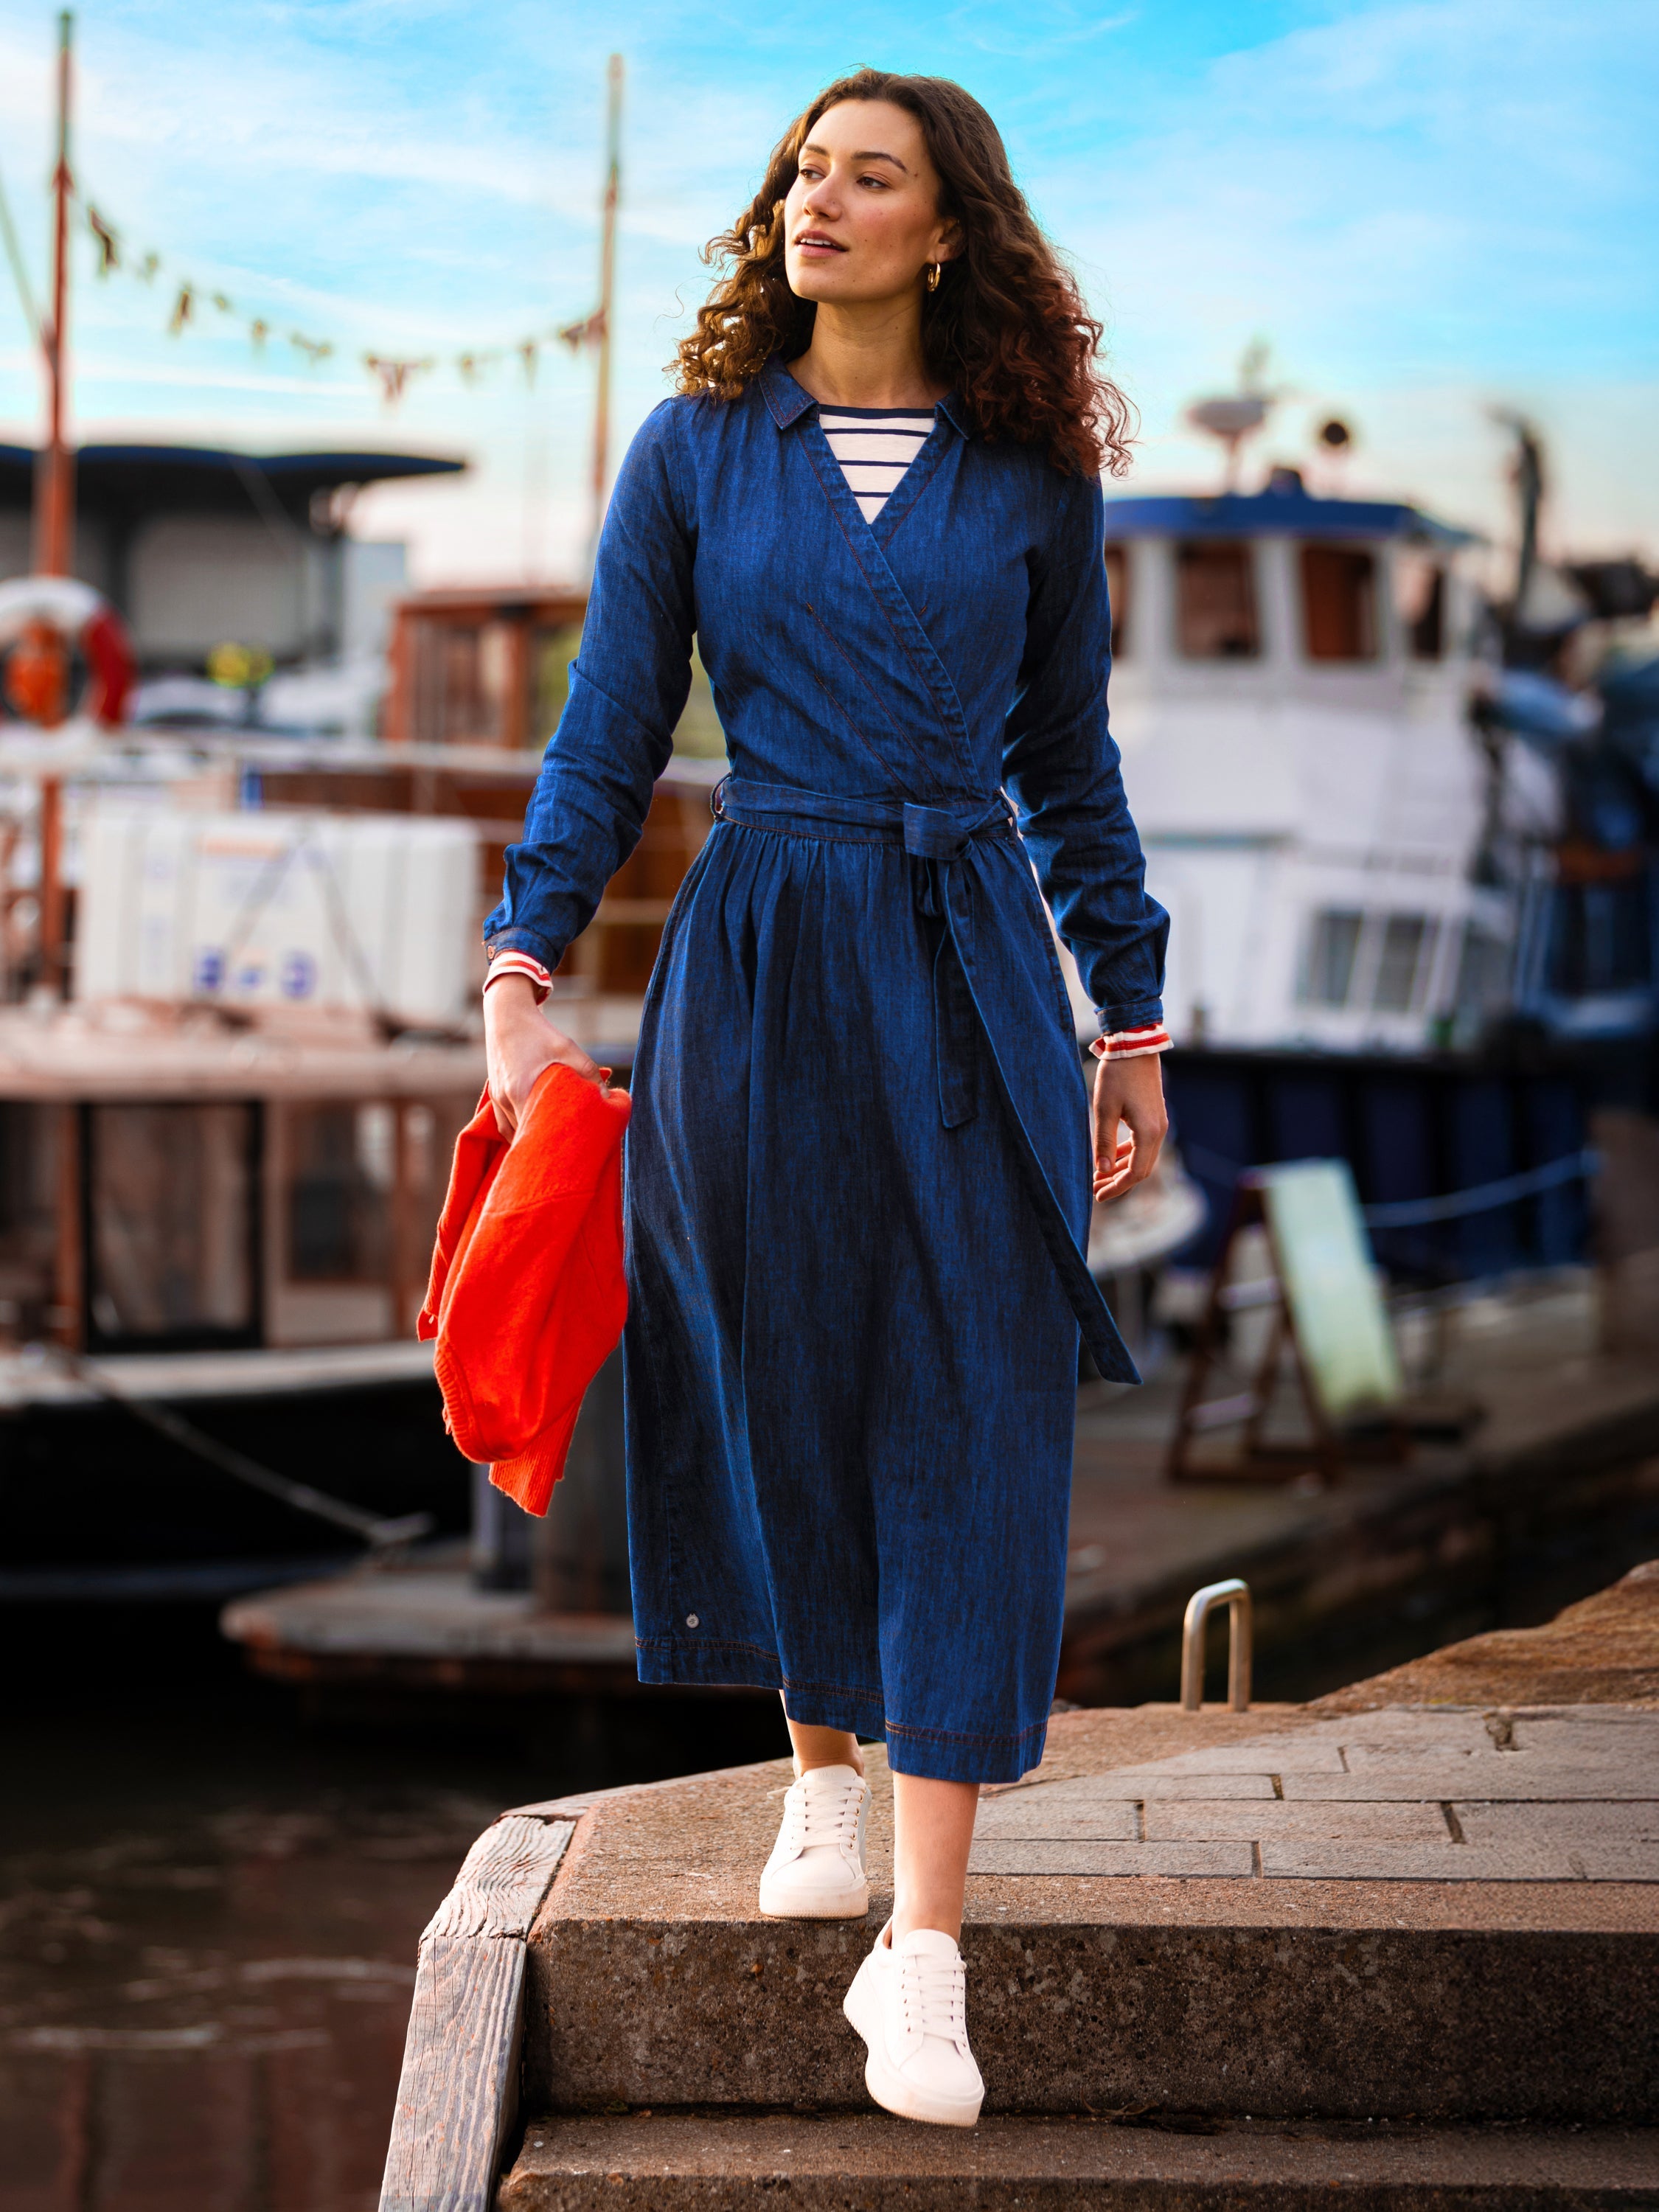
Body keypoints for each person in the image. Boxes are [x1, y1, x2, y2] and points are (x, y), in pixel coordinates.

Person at [481, 69, 1169, 2129]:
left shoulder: (1031, 479)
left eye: (868, 176)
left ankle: (927, 1954)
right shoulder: (696, 451)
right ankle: (816, 1766)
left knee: (970, 1388)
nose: (820, 200)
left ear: (947, 228)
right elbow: (611, 726)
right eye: (803, 169)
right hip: (758, 943)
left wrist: (1124, 1017)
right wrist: (522, 960)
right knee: (774, 1359)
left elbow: (1070, 760)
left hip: (964, 950)